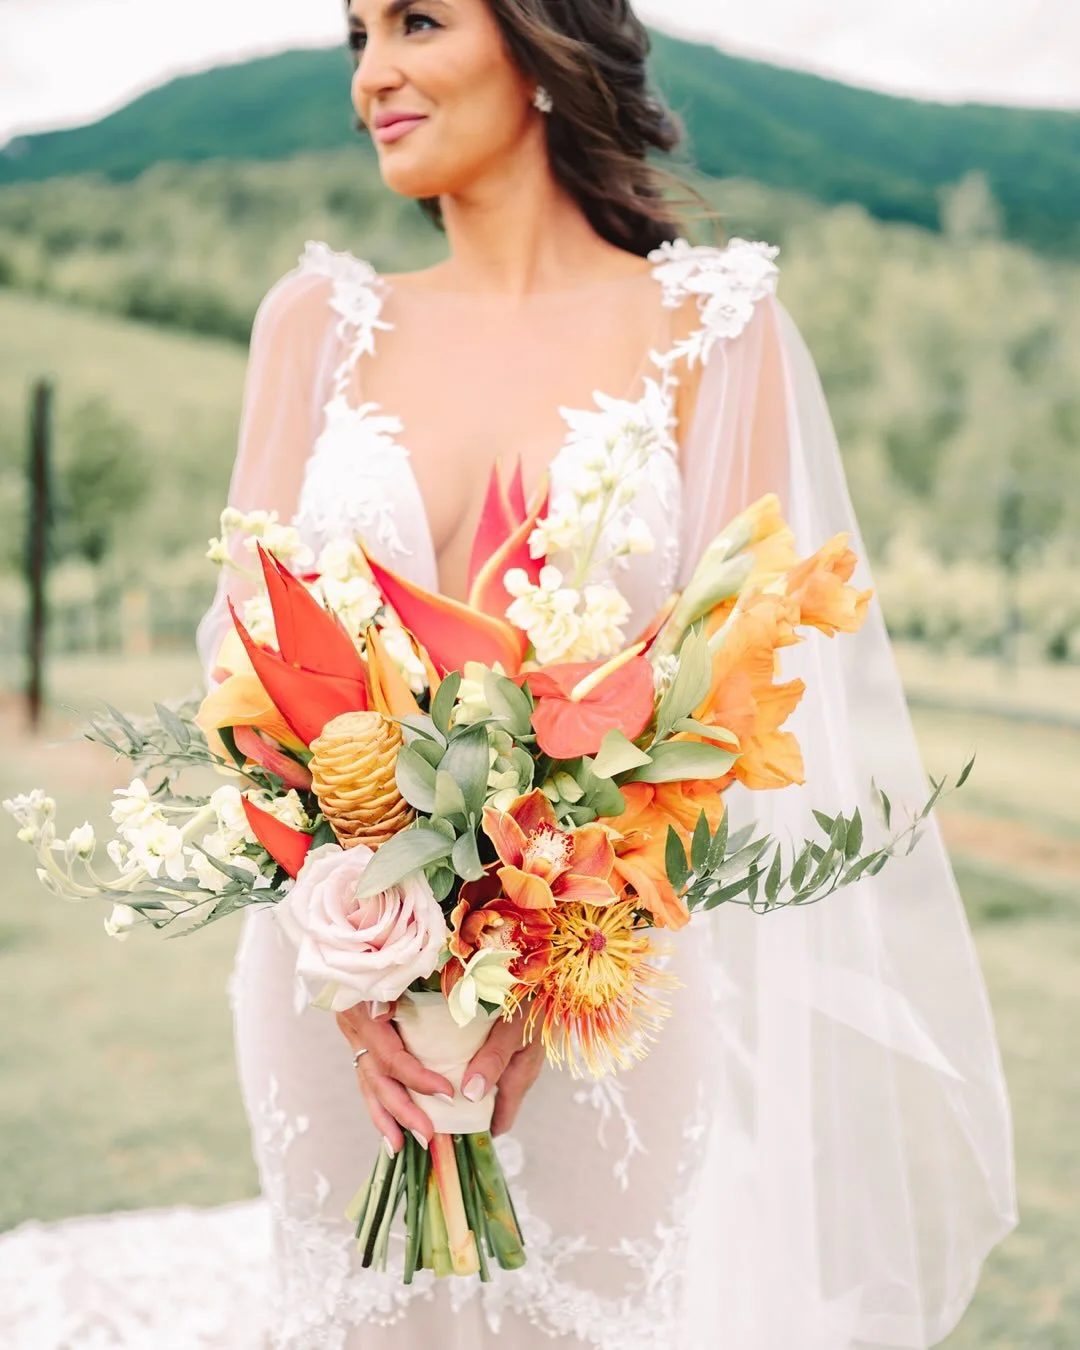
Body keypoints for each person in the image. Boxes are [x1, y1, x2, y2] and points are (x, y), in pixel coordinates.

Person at [188, 1, 1017, 1347]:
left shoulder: (713, 330)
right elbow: (243, 664)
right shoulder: (313, 326)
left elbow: (728, 707)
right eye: (356, 37)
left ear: (540, 46)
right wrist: (350, 971)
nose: (371, 76)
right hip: (330, 971)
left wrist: (552, 960)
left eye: (415, 20)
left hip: (604, 993)